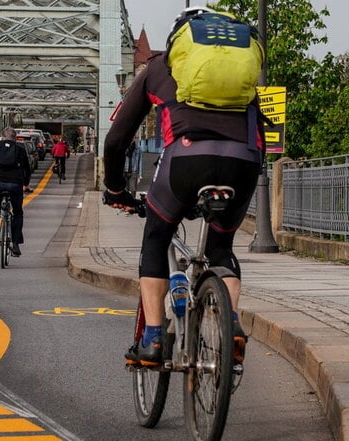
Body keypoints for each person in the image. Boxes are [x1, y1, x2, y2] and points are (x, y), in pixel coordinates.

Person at [101, 6, 263, 367]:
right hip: (243, 162)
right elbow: (258, 131)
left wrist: (115, 189)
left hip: (186, 161)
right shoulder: (241, 79)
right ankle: (232, 324)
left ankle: (154, 341)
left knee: (156, 237)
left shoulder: (159, 68)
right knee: (221, 247)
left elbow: (115, 142)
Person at [0, 126, 31, 257]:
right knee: (17, 212)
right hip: (15, 183)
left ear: (2, 137)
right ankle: (16, 244)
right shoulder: (20, 150)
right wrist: (26, 184)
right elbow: (26, 169)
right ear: (15, 138)